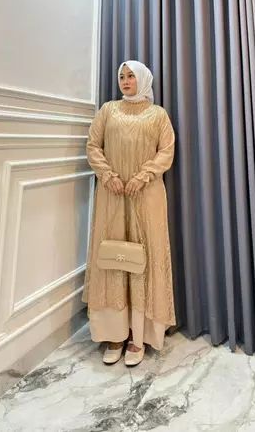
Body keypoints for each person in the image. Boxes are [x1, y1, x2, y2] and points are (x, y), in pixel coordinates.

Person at [82, 60, 176, 366]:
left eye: (131, 76)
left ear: (143, 80)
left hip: (147, 195)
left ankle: (140, 335)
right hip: (112, 194)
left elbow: (167, 151)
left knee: (144, 258)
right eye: (121, 76)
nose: (125, 81)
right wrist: (108, 175)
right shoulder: (108, 110)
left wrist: (143, 176)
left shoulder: (158, 115)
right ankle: (115, 333)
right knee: (113, 257)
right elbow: (93, 146)